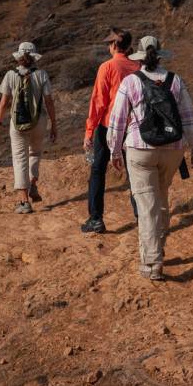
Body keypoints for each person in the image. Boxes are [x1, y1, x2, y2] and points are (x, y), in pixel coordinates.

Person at [107, 35, 193, 280]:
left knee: (147, 206)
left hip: (140, 149)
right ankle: (158, 246)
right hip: (173, 149)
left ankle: (152, 263)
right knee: (160, 197)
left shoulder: (130, 82)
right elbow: (189, 117)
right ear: (160, 55)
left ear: (138, 56)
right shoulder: (175, 81)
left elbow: (117, 120)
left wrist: (115, 151)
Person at [80, 27, 140, 234]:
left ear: (115, 45)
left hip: (108, 126)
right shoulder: (138, 65)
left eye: (109, 43)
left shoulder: (107, 67)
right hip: (133, 127)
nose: (108, 46)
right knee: (134, 171)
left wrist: (89, 131)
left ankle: (96, 219)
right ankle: (141, 216)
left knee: (98, 170)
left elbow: (98, 102)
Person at [0, 41, 57, 214]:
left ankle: (23, 201)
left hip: (18, 124)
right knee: (35, 153)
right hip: (39, 122)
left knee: (20, 158)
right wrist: (53, 125)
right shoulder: (42, 75)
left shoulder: (10, 75)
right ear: (34, 57)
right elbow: (49, 102)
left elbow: (4, 103)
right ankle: (33, 184)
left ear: (19, 57)